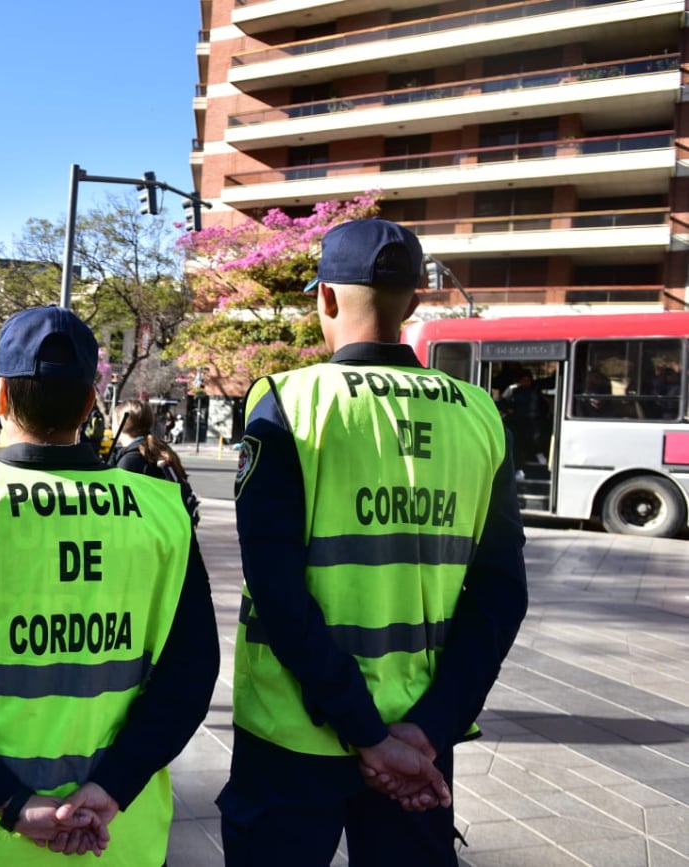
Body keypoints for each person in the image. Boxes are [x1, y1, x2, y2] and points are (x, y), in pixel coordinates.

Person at [218, 219, 528, 866]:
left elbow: (277, 591)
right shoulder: (480, 415)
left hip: (293, 735)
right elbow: (501, 596)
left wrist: (363, 730)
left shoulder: (285, 401)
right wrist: (424, 731)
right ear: (413, 302)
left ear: (325, 298)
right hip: (421, 734)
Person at [0, 306, 220, 866]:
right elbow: (191, 677)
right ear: (89, 404)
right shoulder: (164, 512)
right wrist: (111, 789)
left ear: (1, 397)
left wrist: (14, 805)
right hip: (116, 842)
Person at [109, 399, 200, 526]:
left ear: (120, 424)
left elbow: (121, 512)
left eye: (112, 422)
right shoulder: (158, 450)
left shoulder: (130, 462)